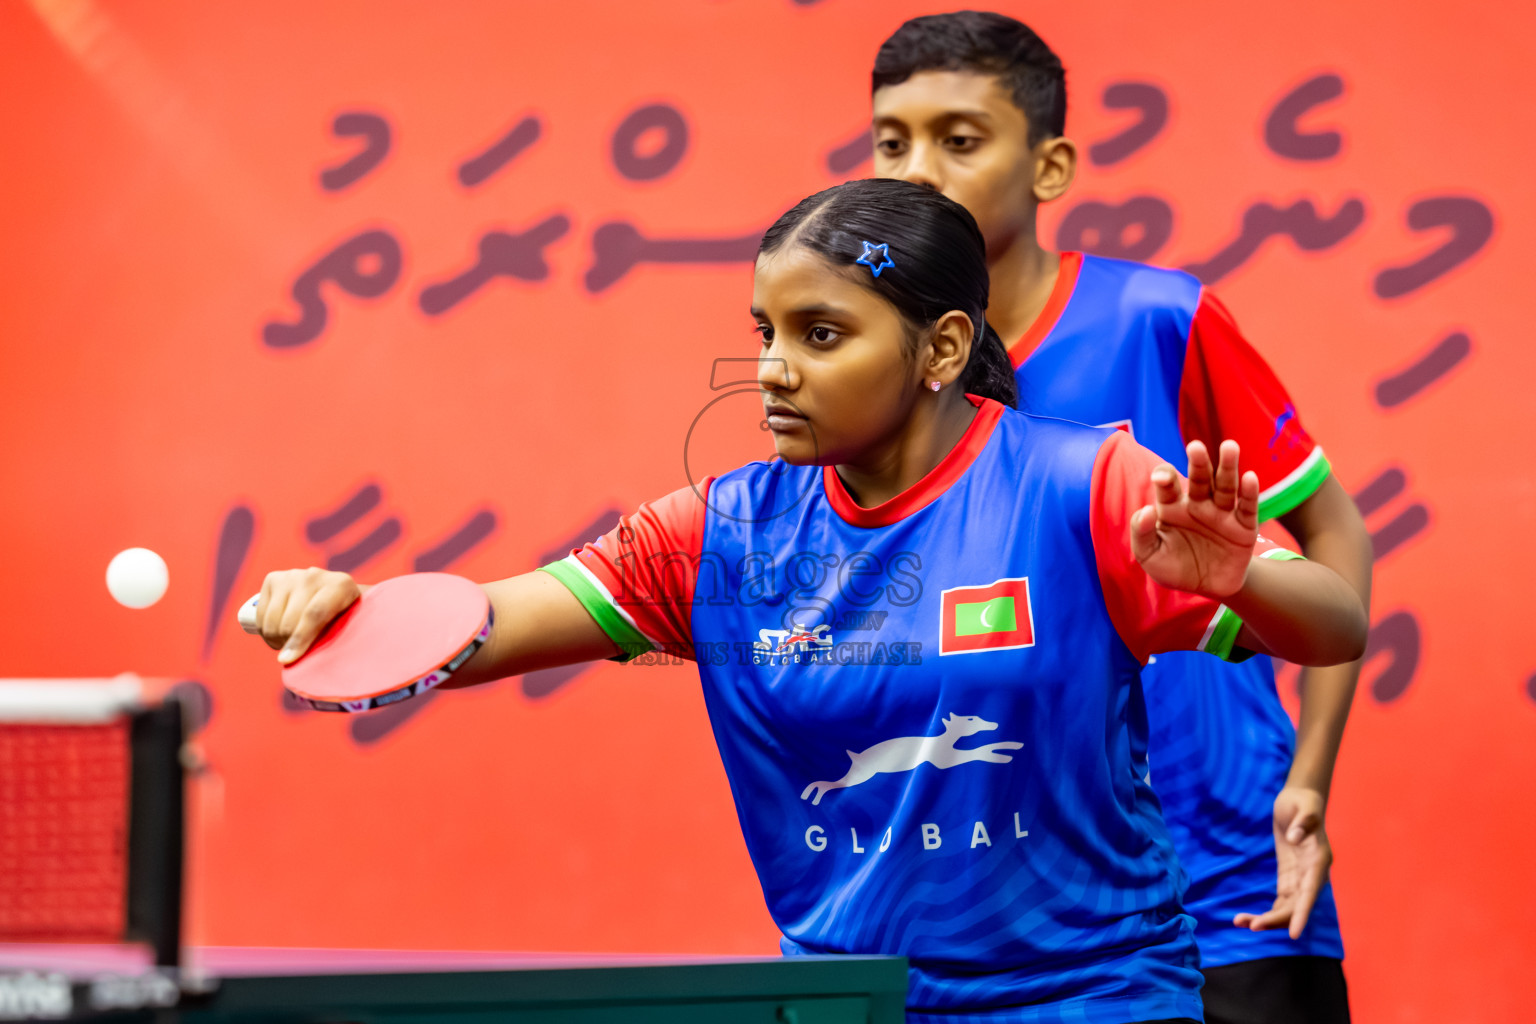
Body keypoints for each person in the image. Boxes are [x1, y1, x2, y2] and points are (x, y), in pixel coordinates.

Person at [252, 179, 1366, 1024]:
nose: (774, 369)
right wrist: (346, 607)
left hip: (1091, 998)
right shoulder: (720, 532)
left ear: (940, 348)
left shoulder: (1083, 486)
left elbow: (1335, 624)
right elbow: (493, 620)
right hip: (848, 1001)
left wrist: (1244, 577)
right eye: (766, 332)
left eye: (820, 335)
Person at [866, 13, 1375, 1023]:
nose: (917, 171)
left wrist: (1308, 785)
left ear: (1049, 167)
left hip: (1226, 881)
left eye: (959, 140)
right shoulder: (876, 375)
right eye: (891, 141)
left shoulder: (1159, 319)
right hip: (1015, 913)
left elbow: (1335, 531)